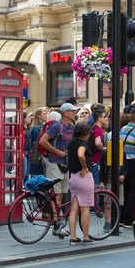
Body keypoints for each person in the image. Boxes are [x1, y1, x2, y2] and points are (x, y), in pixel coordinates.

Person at [39, 103, 77, 235]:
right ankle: (56, 224)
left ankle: (57, 222)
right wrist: (57, 152)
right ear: (66, 113)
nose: (75, 113)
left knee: (60, 195)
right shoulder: (56, 126)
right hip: (54, 163)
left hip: (65, 165)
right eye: (73, 111)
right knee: (54, 195)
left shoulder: (72, 126)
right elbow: (43, 141)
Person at [67, 123, 95, 245]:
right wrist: (84, 167)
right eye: (88, 133)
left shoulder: (70, 143)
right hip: (83, 178)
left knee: (74, 209)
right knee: (85, 209)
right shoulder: (82, 144)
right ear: (83, 134)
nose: (89, 135)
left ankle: (73, 237)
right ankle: (86, 237)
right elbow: (80, 154)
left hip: (73, 177)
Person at [90, 109, 108, 185]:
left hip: (91, 160)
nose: (106, 118)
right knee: (96, 186)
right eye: (104, 117)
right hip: (96, 161)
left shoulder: (92, 128)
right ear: (99, 118)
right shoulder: (98, 130)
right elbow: (97, 143)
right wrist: (104, 148)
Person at [29, 107, 49, 177]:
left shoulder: (44, 126)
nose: (46, 115)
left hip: (42, 154)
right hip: (36, 155)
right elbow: (34, 143)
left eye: (47, 114)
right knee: (35, 176)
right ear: (39, 115)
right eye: (44, 114)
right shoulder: (36, 128)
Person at [22, 110, 34, 181]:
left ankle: (25, 188)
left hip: (28, 151)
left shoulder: (29, 127)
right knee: (23, 172)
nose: (30, 118)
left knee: (27, 173)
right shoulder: (20, 128)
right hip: (23, 151)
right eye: (29, 117)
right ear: (23, 118)